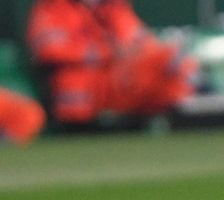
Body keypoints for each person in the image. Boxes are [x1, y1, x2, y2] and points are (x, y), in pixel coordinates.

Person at [25, 0, 195, 125]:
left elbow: (140, 41)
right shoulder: (53, 8)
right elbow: (49, 50)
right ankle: (80, 132)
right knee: (73, 80)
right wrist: (104, 52)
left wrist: (127, 52)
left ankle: (181, 111)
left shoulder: (114, 7)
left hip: (117, 76)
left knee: (166, 59)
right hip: (84, 77)